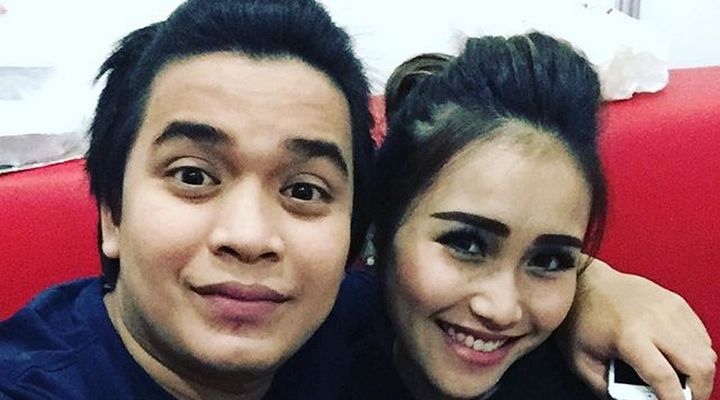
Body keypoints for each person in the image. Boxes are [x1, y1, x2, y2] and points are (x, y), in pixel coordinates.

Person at [0, 1, 714, 399]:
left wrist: (595, 284)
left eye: (304, 190)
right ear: (112, 212)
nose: (250, 236)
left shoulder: (355, 317)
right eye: (193, 176)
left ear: (354, 234)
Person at [342, 32, 715, 399]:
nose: (502, 310)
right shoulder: (323, 341)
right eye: (466, 244)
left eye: (549, 260)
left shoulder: (586, 382)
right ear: (383, 224)